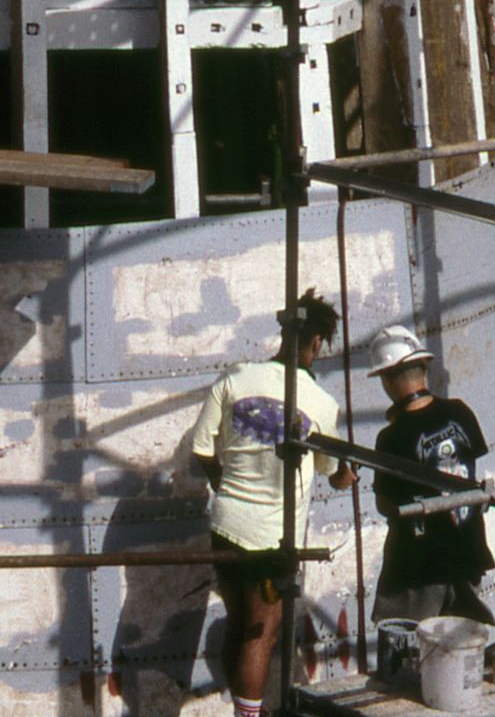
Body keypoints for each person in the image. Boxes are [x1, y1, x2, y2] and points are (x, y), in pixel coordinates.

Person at [192, 292, 353, 717]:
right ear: (317, 342)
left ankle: (245, 711)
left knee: (238, 622)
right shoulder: (322, 404)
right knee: (260, 634)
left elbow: (201, 450)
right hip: (272, 539)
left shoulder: (235, 378)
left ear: (283, 333)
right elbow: (332, 472)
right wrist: (346, 476)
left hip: (226, 526)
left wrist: (224, 484)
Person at [367, 325, 495, 626]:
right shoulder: (460, 412)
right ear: (423, 368)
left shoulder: (391, 437)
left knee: (405, 640)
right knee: (462, 639)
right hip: (467, 551)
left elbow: (386, 505)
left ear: (387, 380)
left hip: (418, 567)